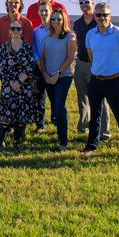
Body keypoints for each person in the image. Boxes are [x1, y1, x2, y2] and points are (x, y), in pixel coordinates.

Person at [83, 2, 119, 162]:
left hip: (114, 81)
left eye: (105, 15)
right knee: (95, 115)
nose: (101, 18)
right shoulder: (90, 34)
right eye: (98, 15)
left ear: (110, 16)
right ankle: (92, 145)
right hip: (96, 80)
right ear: (95, 16)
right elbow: (92, 57)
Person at [0, 18, 41, 149]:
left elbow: (30, 67)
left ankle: (17, 141)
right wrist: (11, 83)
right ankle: (0, 140)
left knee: (22, 114)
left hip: (24, 85)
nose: (15, 31)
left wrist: (19, 81)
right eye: (13, 28)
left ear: (22, 31)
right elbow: (2, 67)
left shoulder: (27, 47)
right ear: (9, 31)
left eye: (18, 29)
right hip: (8, 85)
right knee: (6, 113)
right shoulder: (4, 47)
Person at [70, 0, 110, 142]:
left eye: (87, 2)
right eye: (81, 2)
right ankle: (83, 125)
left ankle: (104, 131)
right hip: (81, 63)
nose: (84, 5)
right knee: (82, 96)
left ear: (92, 3)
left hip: (97, 64)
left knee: (101, 98)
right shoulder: (78, 23)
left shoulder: (99, 21)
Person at [37, 9, 77, 150]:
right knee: (54, 107)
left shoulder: (70, 37)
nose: (56, 22)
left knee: (60, 108)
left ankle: (63, 142)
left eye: (59, 19)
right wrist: (46, 74)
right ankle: (59, 133)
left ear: (64, 20)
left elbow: (70, 58)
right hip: (48, 77)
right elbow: (42, 57)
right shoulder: (47, 36)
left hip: (63, 77)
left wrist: (57, 74)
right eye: (53, 19)